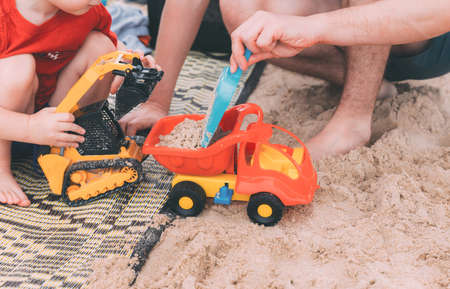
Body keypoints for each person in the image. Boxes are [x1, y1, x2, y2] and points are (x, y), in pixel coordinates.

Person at [225, 0, 450, 160]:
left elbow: (439, 10)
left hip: (430, 31)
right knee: (242, 7)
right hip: (358, 32)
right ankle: (371, 82)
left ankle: (352, 122)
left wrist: (313, 26)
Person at [0, 0, 155, 207]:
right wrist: (28, 127)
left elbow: (114, 45)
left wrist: (131, 61)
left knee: (101, 46)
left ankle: (66, 147)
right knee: (18, 66)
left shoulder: (89, 11)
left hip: (52, 124)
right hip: (9, 127)